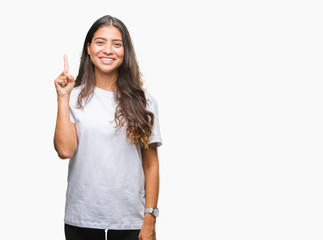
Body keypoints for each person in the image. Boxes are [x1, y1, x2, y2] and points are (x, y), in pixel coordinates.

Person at [53, 15, 162, 240]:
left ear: (125, 51)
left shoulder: (145, 102)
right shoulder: (72, 98)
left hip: (129, 220)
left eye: (117, 44)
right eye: (100, 42)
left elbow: (150, 164)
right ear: (89, 49)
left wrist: (150, 218)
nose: (108, 50)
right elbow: (65, 151)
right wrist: (62, 99)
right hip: (82, 217)